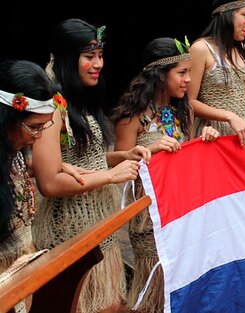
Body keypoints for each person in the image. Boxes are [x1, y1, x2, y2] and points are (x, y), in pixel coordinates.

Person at [31, 19, 148, 313]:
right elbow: (49, 181)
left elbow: (84, 161)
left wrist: (121, 156)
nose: (98, 64)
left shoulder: (79, 100)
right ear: (69, 60)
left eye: (100, 55)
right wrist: (109, 177)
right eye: (89, 56)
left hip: (97, 226)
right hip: (69, 232)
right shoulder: (53, 108)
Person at [111, 37, 219, 313]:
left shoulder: (184, 110)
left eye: (189, 73)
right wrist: (151, 149)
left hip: (181, 208)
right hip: (149, 216)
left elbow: (189, 159)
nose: (188, 80)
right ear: (159, 75)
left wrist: (205, 140)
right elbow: (121, 170)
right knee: (156, 282)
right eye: (182, 73)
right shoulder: (131, 116)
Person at [0, 59, 57, 313]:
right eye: (33, 127)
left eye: (44, 126)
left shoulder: (15, 152)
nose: (39, 136)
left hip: (22, 278)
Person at [188, 0, 245, 148]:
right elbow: (189, 102)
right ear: (226, 14)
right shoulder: (201, 49)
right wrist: (228, 116)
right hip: (213, 135)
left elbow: (240, 97)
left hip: (243, 134)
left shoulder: (244, 50)